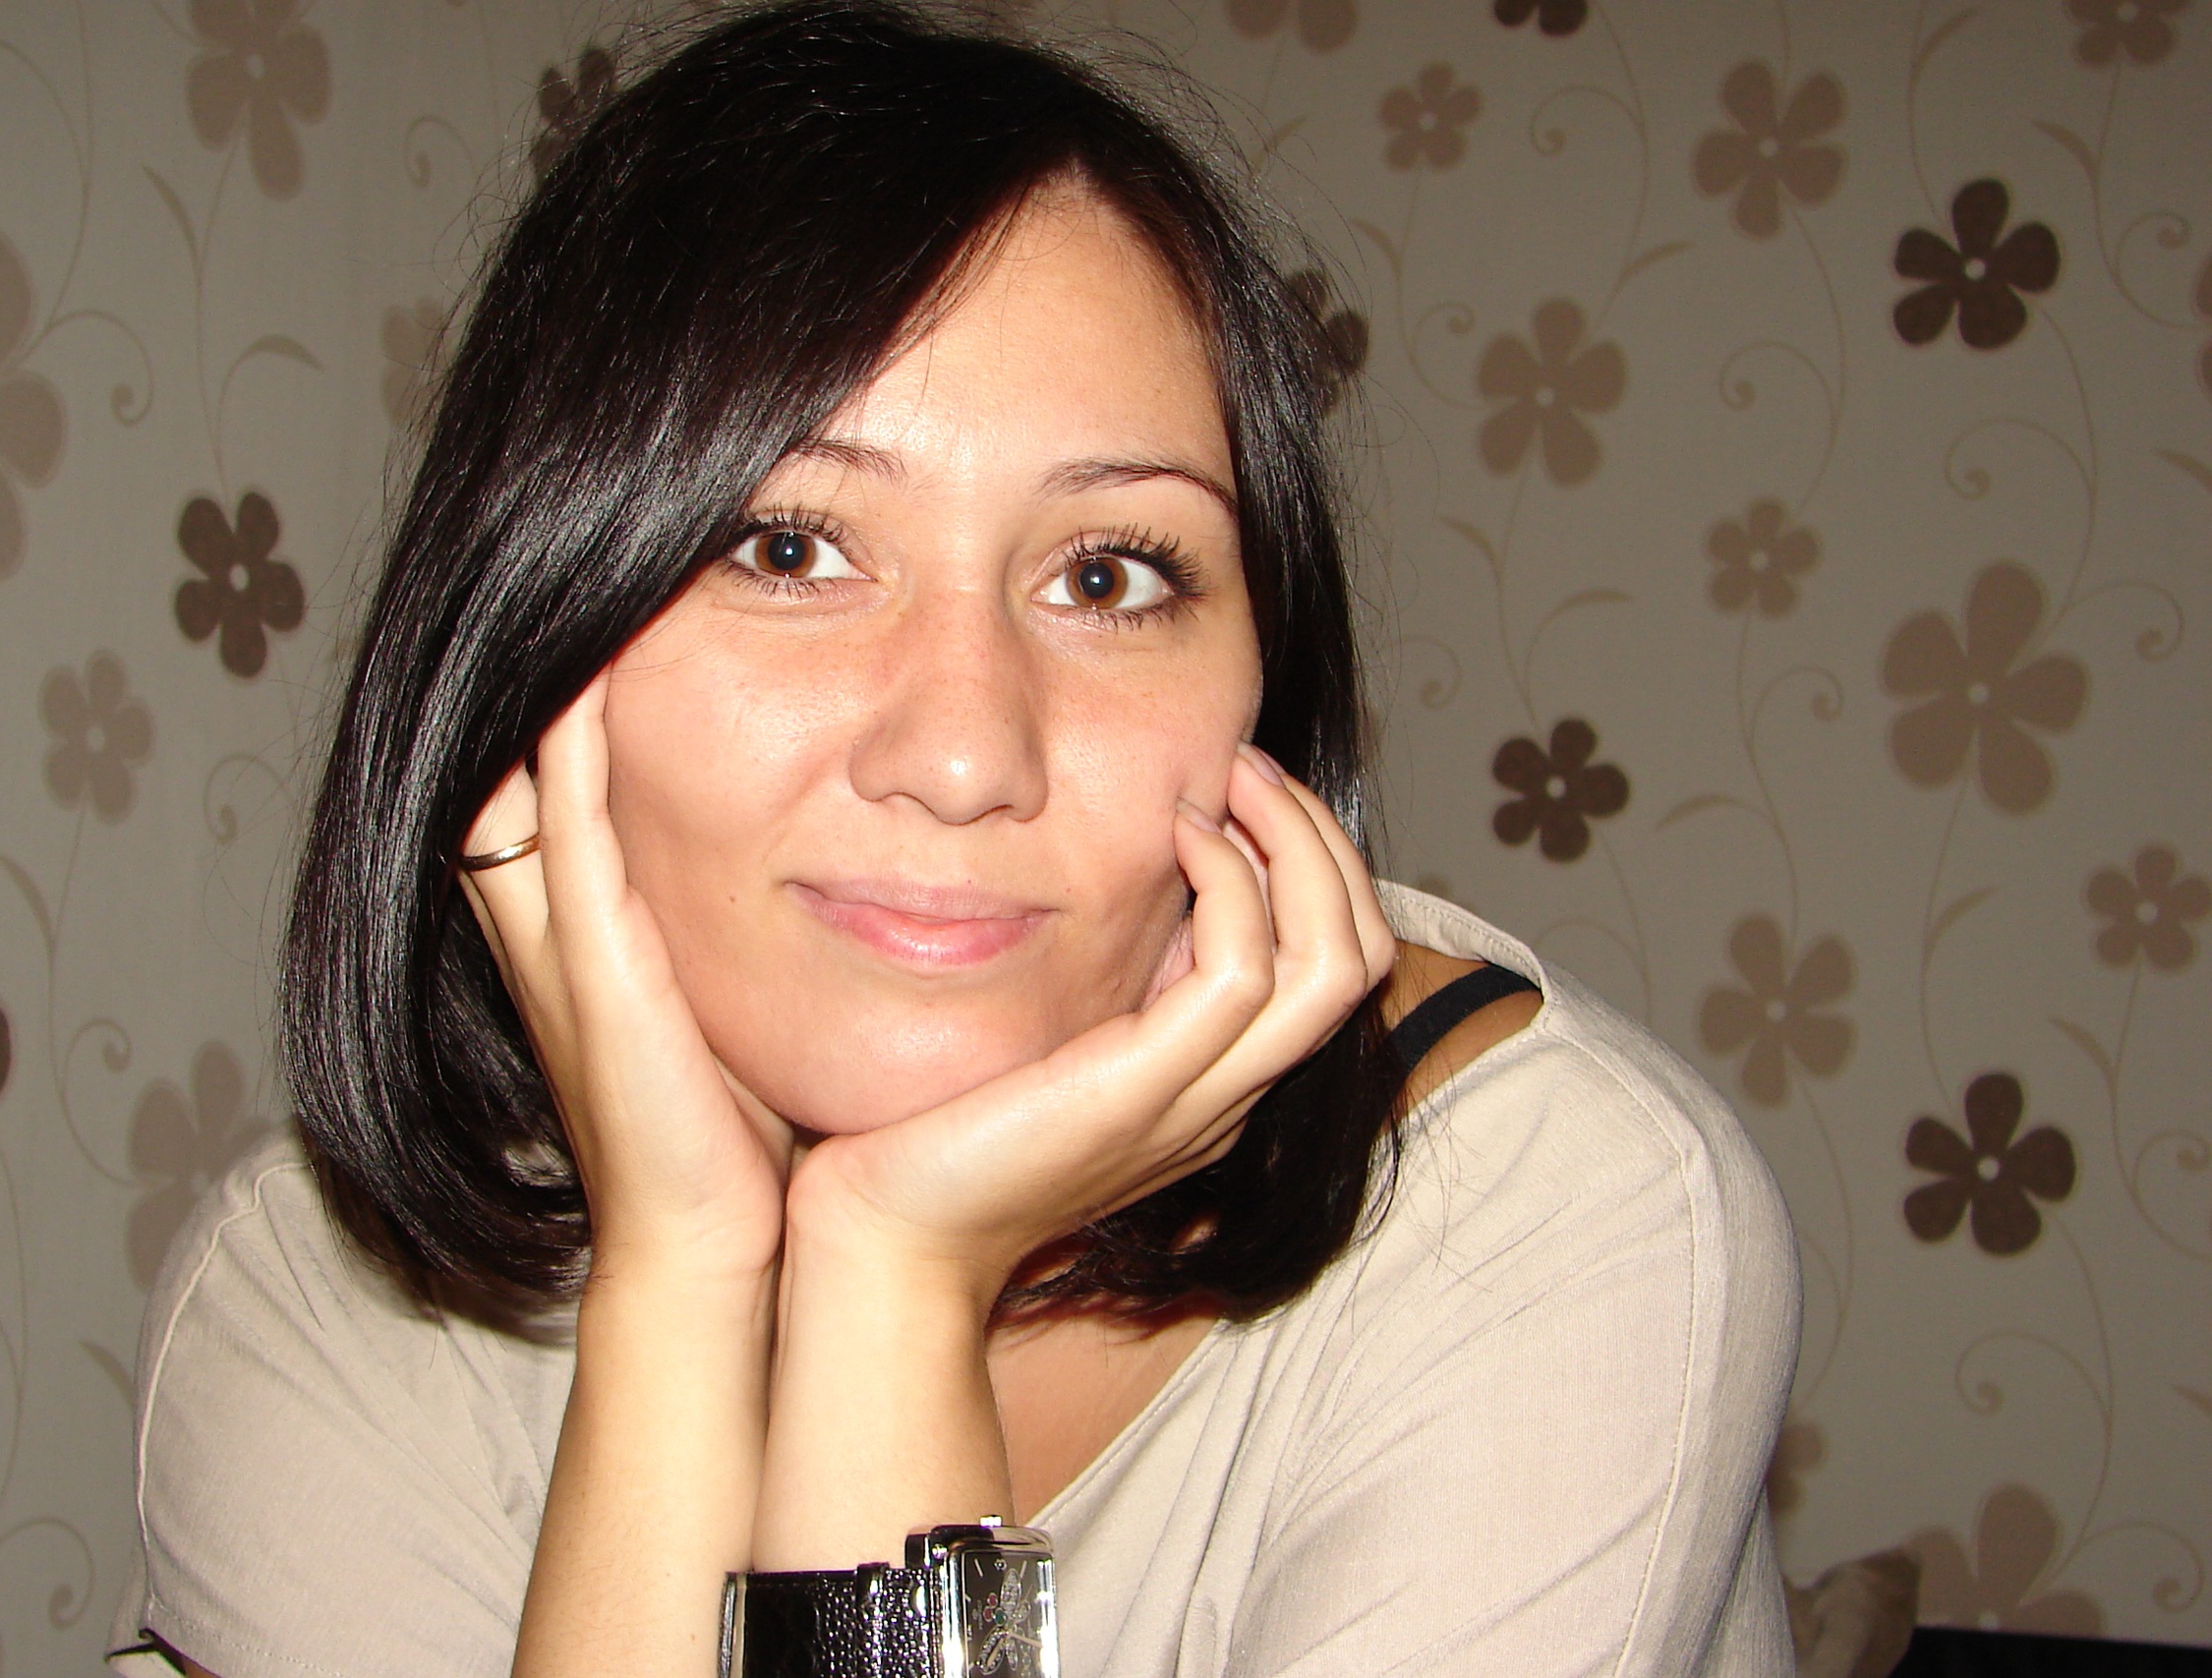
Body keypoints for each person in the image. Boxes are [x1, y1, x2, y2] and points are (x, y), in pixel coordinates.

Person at [107, 3, 1801, 1674]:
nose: (968, 751)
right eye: (790, 550)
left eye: (1107, 575)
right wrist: (678, 1291)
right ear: (528, 622)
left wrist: (890, 1288)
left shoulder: (1552, 1225)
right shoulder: (325, 1307)